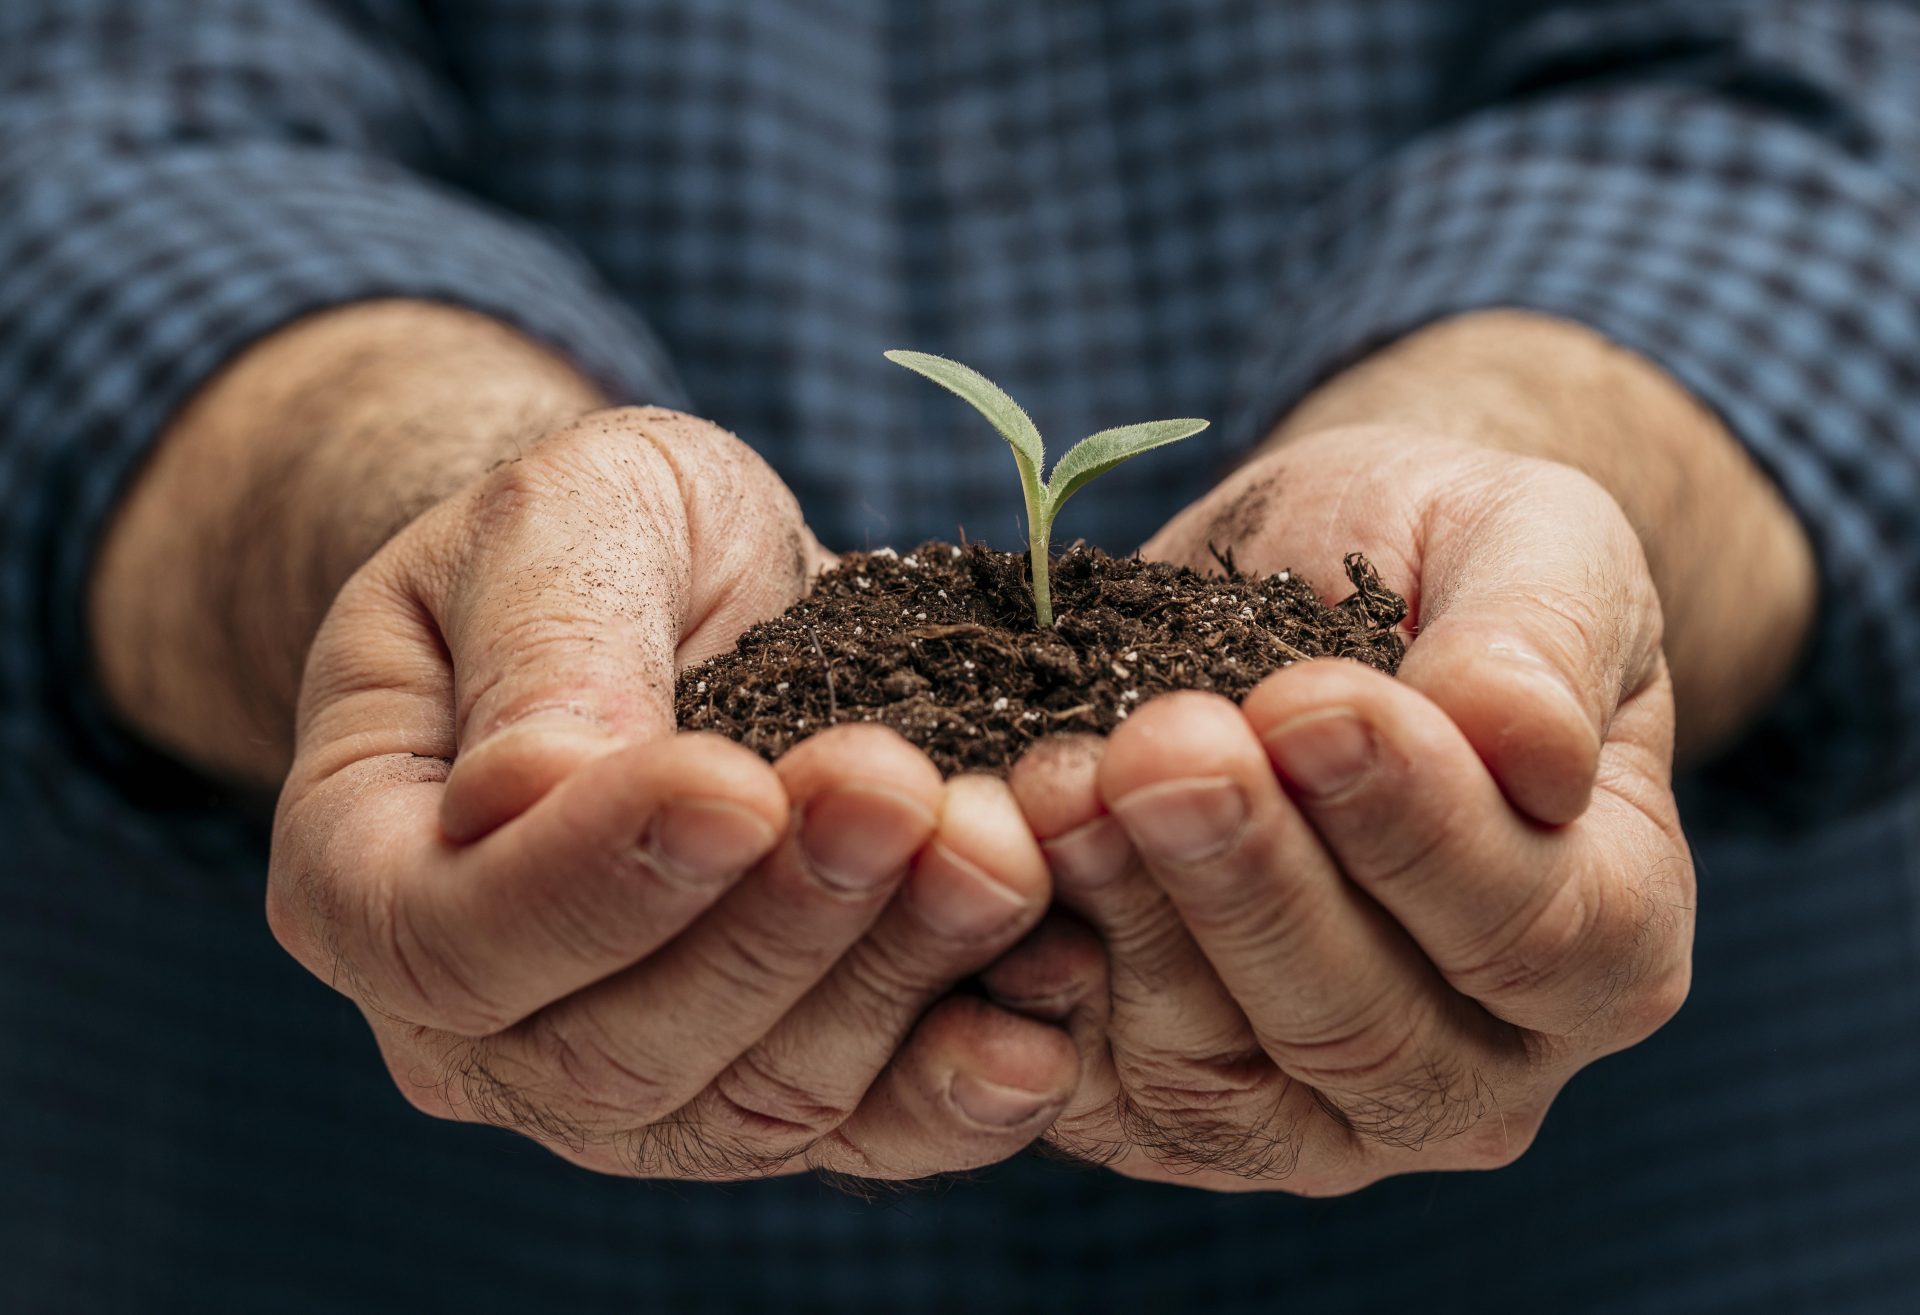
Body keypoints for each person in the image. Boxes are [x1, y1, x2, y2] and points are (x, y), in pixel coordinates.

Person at [2, 1, 1916, 1310]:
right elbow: (91, 114)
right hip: (327, 1229)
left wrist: (1544, 472)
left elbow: (1826, 102)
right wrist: (429, 519)